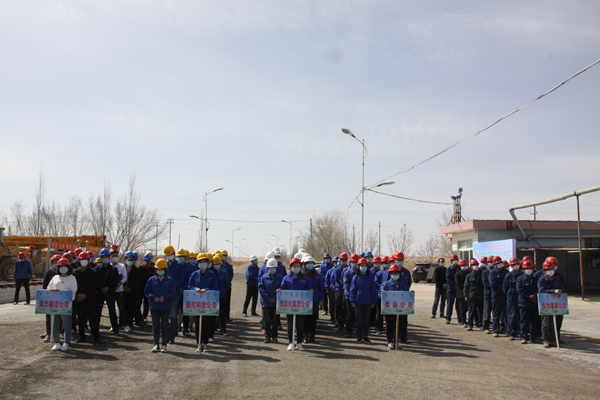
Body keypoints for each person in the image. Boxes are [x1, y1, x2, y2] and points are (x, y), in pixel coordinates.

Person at [187, 253, 218, 352]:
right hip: (197, 303)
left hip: (208, 303)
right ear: (198, 263)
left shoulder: (212, 275)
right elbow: (190, 286)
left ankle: (205, 343)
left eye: (204, 262)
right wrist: (195, 289)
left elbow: (215, 287)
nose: (203, 264)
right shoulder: (194, 274)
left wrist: (207, 289)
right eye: (201, 262)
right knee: (198, 323)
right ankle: (198, 343)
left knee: (206, 323)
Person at [279, 257, 312, 351]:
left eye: (298, 266)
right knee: (290, 324)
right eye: (294, 266)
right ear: (291, 267)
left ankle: (299, 343)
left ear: (301, 267)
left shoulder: (305, 278)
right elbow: (283, 289)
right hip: (289, 305)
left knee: (300, 325)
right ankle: (290, 343)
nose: (296, 267)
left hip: (301, 306)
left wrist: (310, 291)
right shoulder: (286, 278)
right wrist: (279, 291)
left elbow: (308, 289)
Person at [144, 259, 175, 353]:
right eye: (158, 269)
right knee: (155, 326)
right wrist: (153, 297)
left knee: (165, 326)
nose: (160, 271)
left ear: (165, 269)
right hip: (154, 306)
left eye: (162, 269)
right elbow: (147, 291)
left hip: (165, 306)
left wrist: (164, 297)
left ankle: (164, 344)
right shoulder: (151, 280)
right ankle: (156, 344)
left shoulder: (169, 280)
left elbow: (173, 292)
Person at [48, 258, 78, 351]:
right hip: (55, 304)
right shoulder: (55, 278)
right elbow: (49, 288)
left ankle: (66, 342)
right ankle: (56, 342)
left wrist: (63, 292)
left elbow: (73, 290)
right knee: (55, 323)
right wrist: (53, 290)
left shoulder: (72, 278)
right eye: (61, 266)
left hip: (66, 304)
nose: (62, 268)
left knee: (66, 324)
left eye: (64, 266)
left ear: (68, 267)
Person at [72, 251, 103, 344]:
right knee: (81, 318)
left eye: (85, 259)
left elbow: (93, 285)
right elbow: (74, 285)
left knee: (92, 318)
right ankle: (81, 336)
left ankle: (96, 336)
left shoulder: (93, 272)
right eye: (82, 259)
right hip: (79, 299)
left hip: (89, 298)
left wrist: (85, 295)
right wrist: (78, 294)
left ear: (89, 260)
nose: (83, 261)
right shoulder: (75, 272)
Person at [538, 258, 567, 348]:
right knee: (546, 322)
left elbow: (562, 287)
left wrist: (560, 291)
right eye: (548, 270)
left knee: (554, 322)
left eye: (551, 269)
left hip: (555, 304)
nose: (551, 271)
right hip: (546, 304)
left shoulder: (557, 279)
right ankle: (545, 340)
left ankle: (553, 339)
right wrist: (553, 291)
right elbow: (541, 290)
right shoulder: (542, 280)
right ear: (545, 271)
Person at [379, 264, 408, 350]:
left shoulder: (401, 284)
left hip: (399, 309)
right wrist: (382, 293)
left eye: (397, 273)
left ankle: (397, 341)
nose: (395, 275)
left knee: (398, 325)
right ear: (390, 274)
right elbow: (379, 295)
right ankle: (390, 341)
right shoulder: (386, 284)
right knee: (390, 325)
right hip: (389, 309)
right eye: (393, 273)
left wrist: (410, 293)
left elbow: (406, 294)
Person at [350, 257, 377, 343]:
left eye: (365, 265)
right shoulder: (355, 277)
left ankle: (366, 335)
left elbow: (373, 290)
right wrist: (353, 301)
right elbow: (352, 290)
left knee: (366, 320)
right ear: (358, 267)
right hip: (358, 302)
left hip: (368, 302)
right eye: (361, 265)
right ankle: (359, 335)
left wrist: (373, 301)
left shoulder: (370, 277)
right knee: (359, 319)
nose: (363, 267)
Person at [95, 248, 120, 335]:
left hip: (110, 292)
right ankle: (95, 330)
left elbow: (116, 281)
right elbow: (95, 281)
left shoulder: (113, 269)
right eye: (103, 257)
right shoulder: (97, 269)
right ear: (101, 258)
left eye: (106, 257)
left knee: (112, 311)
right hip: (99, 293)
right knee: (97, 312)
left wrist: (108, 288)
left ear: (109, 257)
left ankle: (115, 330)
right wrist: (100, 289)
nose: (105, 258)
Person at [259, 258, 283, 343]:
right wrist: (268, 298)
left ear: (276, 268)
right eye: (270, 268)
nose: (272, 269)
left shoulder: (280, 278)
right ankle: (267, 336)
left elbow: (282, 288)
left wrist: (275, 298)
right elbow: (261, 289)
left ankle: (275, 337)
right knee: (267, 320)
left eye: (274, 267)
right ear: (267, 268)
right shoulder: (263, 278)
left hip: (276, 303)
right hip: (266, 303)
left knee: (275, 320)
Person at [302, 254, 324, 343]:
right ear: (305, 265)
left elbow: (321, 288)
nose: (310, 265)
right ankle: (305, 335)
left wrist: (321, 300)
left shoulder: (318, 276)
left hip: (315, 299)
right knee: (305, 319)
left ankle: (312, 335)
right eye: (308, 263)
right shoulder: (302, 276)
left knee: (313, 318)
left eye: (311, 263)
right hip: (304, 300)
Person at [516, 260, 539, 344]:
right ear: (524, 269)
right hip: (524, 303)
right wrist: (529, 296)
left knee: (534, 321)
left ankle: (534, 337)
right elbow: (520, 290)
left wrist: (534, 296)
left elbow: (538, 288)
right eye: (527, 268)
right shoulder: (520, 279)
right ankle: (524, 337)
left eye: (530, 268)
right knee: (524, 321)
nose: (529, 270)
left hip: (534, 303)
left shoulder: (535, 279)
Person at [164, 245, 183, 343]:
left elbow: (181, 278)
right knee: (165, 316)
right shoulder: (164, 264)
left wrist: (172, 285)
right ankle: (166, 335)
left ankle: (172, 336)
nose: (169, 256)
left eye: (170, 254)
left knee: (173, 315)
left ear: (174, 254)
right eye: (167, 255)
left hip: (174, 293)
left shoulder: (179, 265)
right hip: (165, 294)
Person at [41, 255, 61, 343]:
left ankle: (57, 333)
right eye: (54, 262)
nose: (55, 264)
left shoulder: (62, 274)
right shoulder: (49, 273)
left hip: (60, 299)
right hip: (50, 299)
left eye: (57, 262)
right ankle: (48, 334)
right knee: (49, 317)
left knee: (59, 317)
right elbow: (45, 285)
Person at [110, 248, 129, 333]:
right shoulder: (109, 267)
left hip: (119, 290)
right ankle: (114, 325)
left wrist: (119, 284)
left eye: (116, 256)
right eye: (113, 256)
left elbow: (125, 277)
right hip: (111, 291)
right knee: (112, 309)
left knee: (122, 308)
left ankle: (126, 325)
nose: (114, 258)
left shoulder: (122, 266)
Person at [503, 257, 522, 340]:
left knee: (520, 316)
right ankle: (510, 332)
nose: (516, 266)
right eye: (514, 265)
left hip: (520, 298)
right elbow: (505, 288)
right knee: (511, 316)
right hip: (511, 299)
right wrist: (510, 295)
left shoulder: (522, 275)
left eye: (517, 264)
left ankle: (518, 331)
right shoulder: (508, 276)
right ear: (511, 266)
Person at [489, 256, 508, 337]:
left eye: (500, 262)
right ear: (495, 264)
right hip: (496, 296)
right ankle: (495, 330)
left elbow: (508, 282)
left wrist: (505, 289)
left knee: (506, 314)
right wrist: (502, 288)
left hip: (505, 296)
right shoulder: (492, 273)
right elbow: (492, 284)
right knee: (496, 314)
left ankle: (508, 330)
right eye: (498, 263)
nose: (500, 264)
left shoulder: (506, 272)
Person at [464, 259, 484, 331]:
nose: (476, 266)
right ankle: (470, 325)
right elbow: (466, 287)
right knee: (471, 311)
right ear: (471, 267)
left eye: (477, 265)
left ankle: (481, 325)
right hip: (472, 296)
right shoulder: (469, 276)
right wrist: (466, 296)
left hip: (480, 296)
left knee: (481, 311)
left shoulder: (482, 275)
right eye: (474, 265)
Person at [123, 252, 141, 330]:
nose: (130, 261)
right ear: (126, 260)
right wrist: (123, 287)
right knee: (123, 308)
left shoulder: (136, 270)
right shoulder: (122, 268)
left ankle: (130, 323)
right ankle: (122, 323)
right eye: (128, 260)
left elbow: (137, 282)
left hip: (132, 292)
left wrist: (130, 288)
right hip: (123, 291)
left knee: (131, 309)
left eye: (131, 260)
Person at [212, 255, 230, 336]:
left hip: (222, 295)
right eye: (215, 264)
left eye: (218, 264)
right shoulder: (211, 273)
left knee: (222, 314)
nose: (216, 265)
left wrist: (223, 292)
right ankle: (214, 327)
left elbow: (226, 284)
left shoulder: (224, 272)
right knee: (213, 313)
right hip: (213, 296)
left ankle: (223, 329)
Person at [342, 254, 357, 338]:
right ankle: (348, 330)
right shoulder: (347, 272)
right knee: (350, 314)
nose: (354, 263)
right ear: (350, 262)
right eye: (353, 262)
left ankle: (357, 329)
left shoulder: (360, 272)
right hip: (349, 296)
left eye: (356, 262)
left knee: (358, 315)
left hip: (358, 296)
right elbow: (346, 285)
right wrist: (354, 292)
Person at [455, 259, 471, 327]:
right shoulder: (457, 274)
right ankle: (463, 321)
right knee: (462, 309)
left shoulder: (469, 273)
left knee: (468, 308)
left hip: (468, 292)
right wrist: (465, 287)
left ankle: (469, 321)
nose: (463, 267)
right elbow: (458, 283)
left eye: (464, 265)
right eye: (462, 265)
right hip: (460, 293)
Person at [139, 253, 155, 324]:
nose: (147, 262)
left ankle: (144, 316)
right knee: (138, 302)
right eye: (145, 260)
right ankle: (139, 317)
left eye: (148, 260)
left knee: (146, 303)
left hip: (148, 288)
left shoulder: (153, 269)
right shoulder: (141, 268)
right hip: (141, 287)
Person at [220, 249, 234, 323]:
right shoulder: (218, 265)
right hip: (221, 288)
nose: (224, 257)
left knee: (227, 303)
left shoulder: (229, 266)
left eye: (225, 255)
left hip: (227, 287)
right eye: (223, 255)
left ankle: (227, 317)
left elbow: (231, 275)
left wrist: (227, 281)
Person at [445, 254, 460, 324]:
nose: (455, 262)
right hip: (451, 289)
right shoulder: (449, 269)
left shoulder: (459, 269)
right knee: (450, 304)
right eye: (453, 260)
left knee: (459, 305)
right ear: (451, 261)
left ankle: (460, 319)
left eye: (456, 260)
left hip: (458, 289)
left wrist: (458, 286)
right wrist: (454, 285)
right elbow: (448, 279)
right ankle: (448, 318)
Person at [481, 256, 492, 332]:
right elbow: (485, 283)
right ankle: (485, 327)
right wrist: (493, 287)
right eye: (490, 262)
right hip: (487, 294)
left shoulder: (496, 272)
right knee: (486, 311)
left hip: (495, 295)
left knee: (497, 312)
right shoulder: (485, 272)